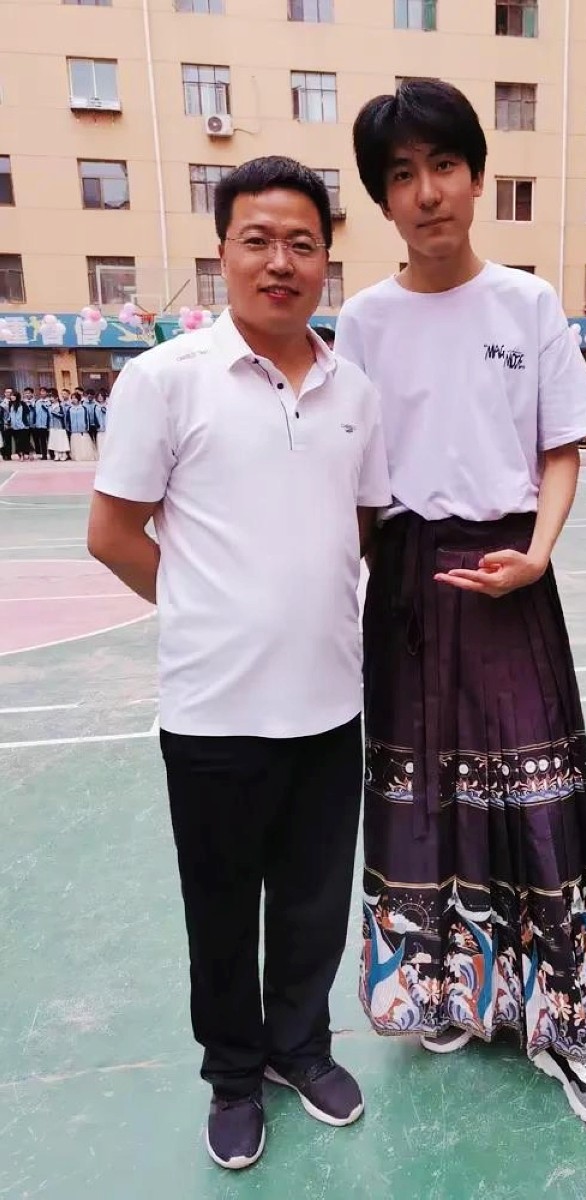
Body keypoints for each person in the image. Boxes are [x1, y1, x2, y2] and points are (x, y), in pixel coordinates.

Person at [335, 80, 586, 1132]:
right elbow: (352, 478)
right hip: (407, 582)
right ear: (382, 199)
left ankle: (568, 1023)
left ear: (476, 178)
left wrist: (537, 557)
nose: (427, 192)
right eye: (402, 175)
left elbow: (561, 449)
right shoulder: (362, 322)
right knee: (423, 795)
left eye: (444, 166)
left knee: (537, 793)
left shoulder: (527, 304)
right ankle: (449, 994)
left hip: (512, 572)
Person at [88, 156, 391, 1170]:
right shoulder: (166, 379)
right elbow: (112, 532)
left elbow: (360, 526)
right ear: (223, 253)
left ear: (326, 261)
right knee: (221, 911)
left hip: (329, 706)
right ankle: (232, 1075)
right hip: (213, 715)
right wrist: (202, 610)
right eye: (257, 240)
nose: (280, 262)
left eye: (302, 243)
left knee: (312, 904)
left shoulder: (355, 391)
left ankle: (299, 1050)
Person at [67, 391, 95, 462]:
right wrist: (69, 428)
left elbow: (87, 419)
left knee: (84, 444)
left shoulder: (84, 408)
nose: (73, 399)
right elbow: (68, 420)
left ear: (78, 399)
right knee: (75, 444)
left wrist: (87, 428)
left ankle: (85, 456)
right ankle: (76, 456)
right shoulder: (70, 409)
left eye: (75, 398)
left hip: (83, 430)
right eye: (72, 398)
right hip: (74, 430)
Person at [47, 389, 70, 462]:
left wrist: (55, 413)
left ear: (56, 398)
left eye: (52, 397)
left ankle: (64, 454)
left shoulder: (61, 406)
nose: (51, 399)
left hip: (60, 426)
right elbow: (48, 417)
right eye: (50, 397)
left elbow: (63, 415)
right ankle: (56, 454)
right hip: (52, 426)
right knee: (54, 441)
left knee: (61, 441)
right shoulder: (49, 407)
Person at [32, 387, 51, 461]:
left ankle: (52, 454)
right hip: (39, 424)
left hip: (47, 424)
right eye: (41, 391)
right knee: (42, 441)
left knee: (50, 440)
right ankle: (44, 455)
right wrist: (34, 422)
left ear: (47, 393)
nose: (42, 393)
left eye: (44, 391)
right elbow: (35, 413)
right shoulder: (37, 402)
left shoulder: (50, 401)